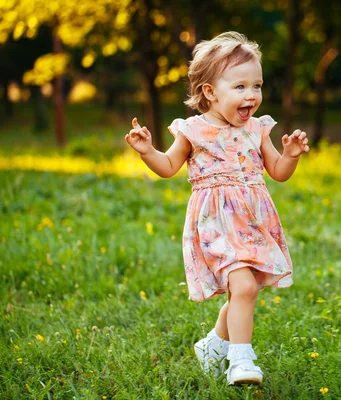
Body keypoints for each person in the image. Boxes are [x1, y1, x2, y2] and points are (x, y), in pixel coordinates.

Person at [125, 31, 309, 385]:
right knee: (241, 287)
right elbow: (167, 168)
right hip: (215, 224)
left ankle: (212, 345)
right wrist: (148, 151)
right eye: (240, 87)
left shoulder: (257, 129)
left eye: (257, 86)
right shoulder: (193, 130)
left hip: (253, 223)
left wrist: (290, 155)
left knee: (247, 289)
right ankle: (241, 360)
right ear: (210, 92)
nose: (251, 95)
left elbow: (279, 174)